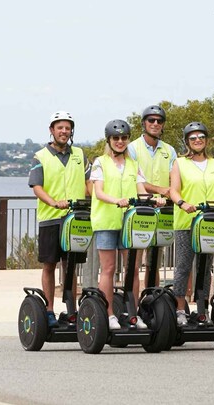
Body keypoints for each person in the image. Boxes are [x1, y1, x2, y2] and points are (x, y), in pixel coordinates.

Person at [91, 119, 162, 330]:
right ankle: (109, 314)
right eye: (116, 138)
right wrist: (116, 200)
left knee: (132, 269)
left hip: (130, 224)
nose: (120, 141)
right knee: (109, 269)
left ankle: (133, 314)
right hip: (106, 221)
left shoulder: (133, 165)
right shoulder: (100, 162)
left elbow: (141, 190)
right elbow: (99, 191)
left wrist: (154, 198)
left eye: (123, 138)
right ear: (109, 140)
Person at [168, 122, 214, 326]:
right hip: (187, 222)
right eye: (193, 137)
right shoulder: (179, 163)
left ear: (206, 140)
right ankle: (180, 309)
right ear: (187, 141)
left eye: (201, 137)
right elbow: (174, 190)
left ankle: (202, 309)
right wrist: (183, 203)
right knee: (182, 267)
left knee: (205, 267)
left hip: (209, 222)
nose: (197, 140)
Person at [28, 111, 91, 327]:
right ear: (52, 130)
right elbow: (37, 187)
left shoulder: (80, 155)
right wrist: (54, 202)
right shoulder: (40, 156)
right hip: (51, 218)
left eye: (67, 128)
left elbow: (88, 183)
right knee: (49, 265)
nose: (64, 131)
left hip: (76, 219)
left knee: (71, 265)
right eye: (60, 128)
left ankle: (72, 310)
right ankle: (48, 311)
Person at [128, 104, 177, 287]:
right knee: (134, 263)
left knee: (154, 264)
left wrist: (171, 191)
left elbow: (174, 179)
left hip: (162, 210)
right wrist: (160, 190)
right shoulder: (132, 148)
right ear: (144, 123)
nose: (155, 123)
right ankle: (133, 306)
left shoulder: (169, 151)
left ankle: (152, 300)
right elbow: (133, 179)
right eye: (151, 120)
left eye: (159, 121)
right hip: (139, 211)